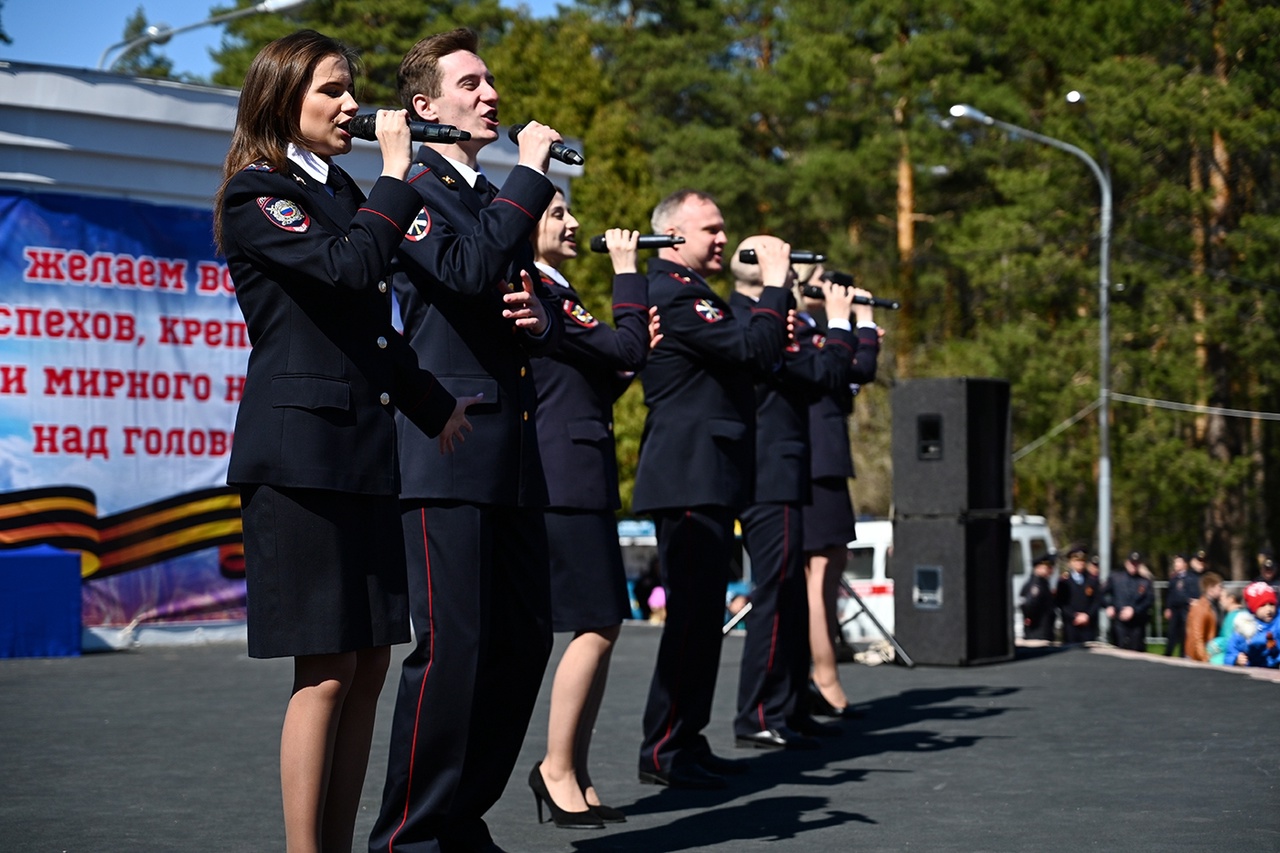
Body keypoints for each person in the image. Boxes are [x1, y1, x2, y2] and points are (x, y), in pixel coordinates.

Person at [214, 30, 474, 853]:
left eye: (351, 89)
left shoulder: (339, 189)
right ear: (281, 98)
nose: (352, 105)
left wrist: (435, 405)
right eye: (331, 90)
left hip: (361, 450)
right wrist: (398, 176)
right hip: (299, 458)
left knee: (364, 666)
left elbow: (370, 330)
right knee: (324, 670)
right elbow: (352, 269)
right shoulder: (257, 193)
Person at [370, 28, 565, 853]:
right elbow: (460, 272)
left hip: (513, 447)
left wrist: (542, 319)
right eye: (471, 83)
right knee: (452, 652)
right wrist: (532, 172)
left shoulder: (493, 197)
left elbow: (505, 298)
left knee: (521, 645)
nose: (491, 94)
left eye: (492, 81)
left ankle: (461, 817)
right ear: (426, 107)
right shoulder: (412, 185)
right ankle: (408, 838)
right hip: (445, 445)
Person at [631, 189, 790, 789]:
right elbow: (756, 350)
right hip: (688, 475)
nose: (724, 238)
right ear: (674, 236)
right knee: (691, 622)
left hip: (709, 474)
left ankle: (685, 740)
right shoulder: (673, 293)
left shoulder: (696, 294)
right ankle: (664, 749)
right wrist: (774, 285)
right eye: (711, 229)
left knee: (702, 622)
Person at [526, 192, 653, 828]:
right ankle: (554, 768)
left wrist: (628, 356)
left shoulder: (556, 288)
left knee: (604, 623)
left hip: (582, 469)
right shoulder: (539, 290)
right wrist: (628, 273)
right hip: (563, 477)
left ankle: (572, 767)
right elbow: (623, 347)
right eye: (557, 214)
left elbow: (598, 377)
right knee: (597, 622)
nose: (574, 224)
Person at [727, 240, 861, 751]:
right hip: (766, 470)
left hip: (784, 467)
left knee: (787, 597)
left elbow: (834, 374)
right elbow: (824, 372)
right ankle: (759, 711)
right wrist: (841, 324)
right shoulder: (752, 318)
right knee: (775, 596)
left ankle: (785, 705)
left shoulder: (772, 319)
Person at [795, 264, 882, 719]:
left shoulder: (825, 333)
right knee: (819, 572)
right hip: (811, 462)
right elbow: (858, 368)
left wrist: (858, 328)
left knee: (829, 568)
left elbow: (857, 371)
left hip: (826, 460)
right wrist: (856, 323)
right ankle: (823, 676)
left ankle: (824, 675)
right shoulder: (802, 332)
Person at [1104, 550, 1154, 652]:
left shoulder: (1145, 581)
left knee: (1136, 651)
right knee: (1118, 650)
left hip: (1137, 623)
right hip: (1119, 623)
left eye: (1136, 564)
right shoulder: (1116, 578)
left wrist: (1134, 610)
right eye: (1131, 563)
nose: (1133, 566)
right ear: (1126, 563)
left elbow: (1148, 600)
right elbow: (1101, 594)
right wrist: (1108, 606)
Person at [1226, 582, 1280, 668]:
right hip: (1252, 673)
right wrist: (1236, 659)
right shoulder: (1244, 624)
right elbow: (1230, 652)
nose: (1269, 609)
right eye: (1262, 605)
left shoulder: (1278, 623)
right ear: (1253, 609)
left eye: (1271, 604)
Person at [1055, 544, 1101, 643]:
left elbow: (1097, 601)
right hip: (1071, 625)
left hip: (1088, 625)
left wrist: (1087, 615)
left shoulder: (1092, 580)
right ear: (1070, 562)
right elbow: (1061, 603)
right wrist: (1074, 616)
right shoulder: (1064, 582)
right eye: (1077, 561)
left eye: (1082, 561)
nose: (1080, 564)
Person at [1185, 571, 1223, 662]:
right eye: (1219, 587)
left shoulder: (1212, 606)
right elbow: (1197, 637)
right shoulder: (1201, 608)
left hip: (1204, 654)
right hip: (1196, 658)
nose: (1221, 591)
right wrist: (1205, 658)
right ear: (1210, 589)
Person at [1019, 553, 1057, 641]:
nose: (1050, 570)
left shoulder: (1043, 583)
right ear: (1038, 568)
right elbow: (1029, 604)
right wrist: (1029, 617)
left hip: (1044, 629)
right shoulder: (1037, 585)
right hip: (1038, 630)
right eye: (1048, 567)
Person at [1163, 554, 1192, 657]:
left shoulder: (1189, 578)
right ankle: (1168, 653)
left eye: (1179, 562)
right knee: (1172, 631)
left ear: (1185, 564)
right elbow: (1170, 594)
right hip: (1175, 609)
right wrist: (1168, 607)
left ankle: (1183, 653)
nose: (1176, 564)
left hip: (1185, 609)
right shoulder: (1173, 578)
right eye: (1175, 562)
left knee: (1184, 632)